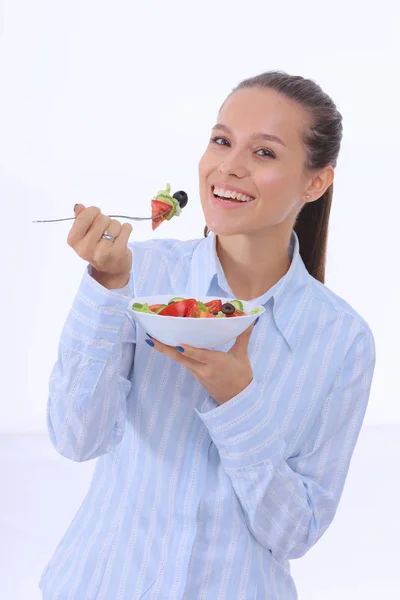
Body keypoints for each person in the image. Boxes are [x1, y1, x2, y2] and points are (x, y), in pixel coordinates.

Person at [39, 70, 376, 600]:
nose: (229, 166)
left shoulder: (342, 340)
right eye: (222, 141)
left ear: (315, 182)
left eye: (264, 153)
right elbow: (76, 438)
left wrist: (239, 401)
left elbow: (294, 533)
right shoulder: (137, 275)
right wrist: (105, 289)